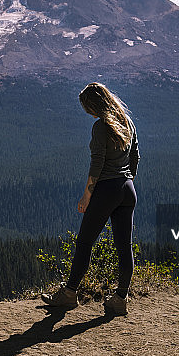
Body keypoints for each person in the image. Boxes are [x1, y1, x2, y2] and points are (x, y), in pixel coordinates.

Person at [41, 82, 139, 316]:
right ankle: (120, 298)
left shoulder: (101, 127)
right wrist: (126, 180)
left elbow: (97, 164)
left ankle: (69, 294)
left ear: (94, 106)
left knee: (85, 243)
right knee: (124, 247)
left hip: (106, 190)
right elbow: (135, 156)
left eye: (88, 108)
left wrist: (87, 195)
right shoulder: (127, 122)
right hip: (127, 189)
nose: (88, 112)